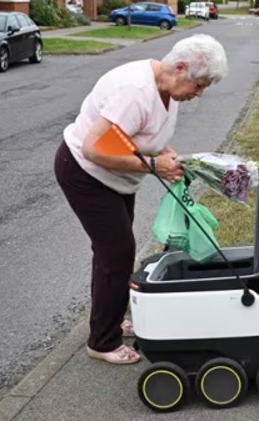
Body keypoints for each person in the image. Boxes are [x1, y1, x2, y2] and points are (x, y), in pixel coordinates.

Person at [54, 34, 228, 364]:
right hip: (85, 174)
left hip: (117, 179)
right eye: (199, 85)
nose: (199, 93)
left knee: (110, 254)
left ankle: (110, 317)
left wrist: (170, 157)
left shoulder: (169, 89)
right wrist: (153, 166)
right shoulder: (135, 91)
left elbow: (143, 135)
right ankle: (102, 342)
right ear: (179, 68)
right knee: (118, 253)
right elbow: (94, 148)